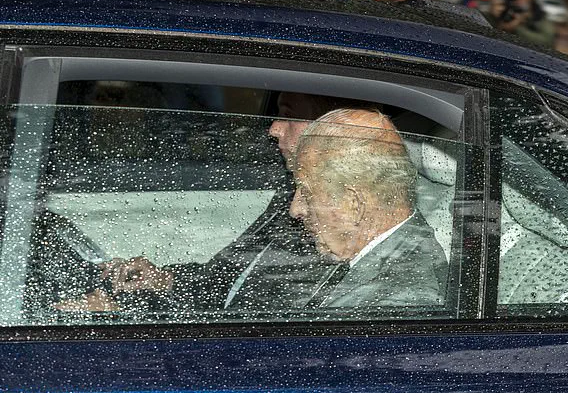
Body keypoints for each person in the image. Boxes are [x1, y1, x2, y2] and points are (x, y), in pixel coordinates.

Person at [55, 92, 380, 312]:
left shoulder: (339, 219)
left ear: (335, 127)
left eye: (288, 116)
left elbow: (265, 323)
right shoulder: (291, 196)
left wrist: (123, 316)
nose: (273, 129)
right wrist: (162, 281)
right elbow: (228, 274)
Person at [290, 109, 449, 307]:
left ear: (353, 204)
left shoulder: (400, 299)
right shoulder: (380, 256)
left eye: (306, 193)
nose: (295, 209)